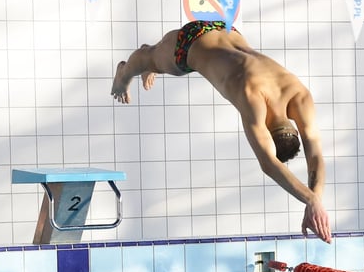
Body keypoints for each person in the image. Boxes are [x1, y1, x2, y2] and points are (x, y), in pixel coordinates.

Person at [111, 20, 332, 244]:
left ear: (294, 129)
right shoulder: (253, 99)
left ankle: (153, 59)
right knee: (149, 59)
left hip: (226, 29)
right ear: (266, 133)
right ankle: (124, 74)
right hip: (189, 45)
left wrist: (314, 201)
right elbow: (268, 164)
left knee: (157, 57)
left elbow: (315, 156)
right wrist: (311, 201)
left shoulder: (299, 95)